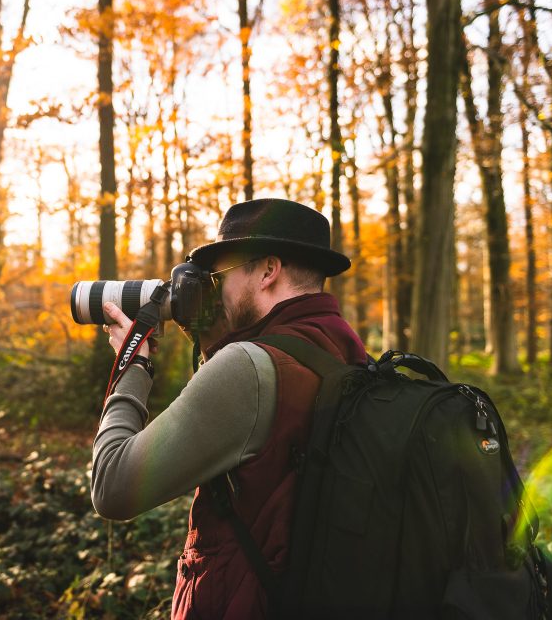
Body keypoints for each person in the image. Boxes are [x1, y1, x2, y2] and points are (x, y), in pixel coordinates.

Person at [91, 198, 367, 618]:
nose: (218, 289)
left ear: (267, 270)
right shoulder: (340, 346)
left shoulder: (247, 370)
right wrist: (210, 335)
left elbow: (112, 487)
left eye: (225, 275)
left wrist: (136, 365)